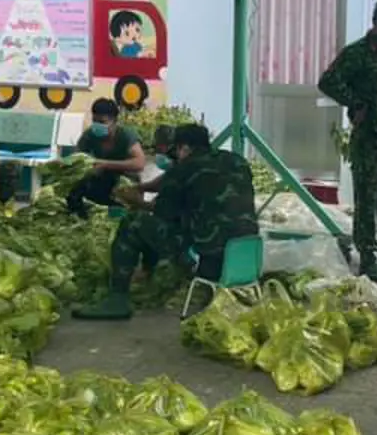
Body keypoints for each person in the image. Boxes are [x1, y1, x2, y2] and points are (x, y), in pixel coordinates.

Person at [73, 124, 258, 320]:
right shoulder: (236, 161)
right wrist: (143, 187)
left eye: (176, 150)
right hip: (246, 251)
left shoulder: (185, 168)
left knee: (134, 223)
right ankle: (148, 272)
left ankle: (117, 298)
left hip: (209, 251)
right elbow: (185, 181)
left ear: (184, 148)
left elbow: (163, 213)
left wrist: (136, 202)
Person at [318, 0, 377, 282]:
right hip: (370, 141)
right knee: (368, 201)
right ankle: (368, 258)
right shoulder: (357, 53)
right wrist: (355, 103)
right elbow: (328, 81)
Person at [66, 98, 146, 216]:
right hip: (100, 180)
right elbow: (77, 158)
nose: (97, 126)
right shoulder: (89, 135)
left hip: (124, 181)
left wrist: (106, 164)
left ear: (114, 121)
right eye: (95, 121)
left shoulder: (125, 136)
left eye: (102, 122)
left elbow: (139, 163)